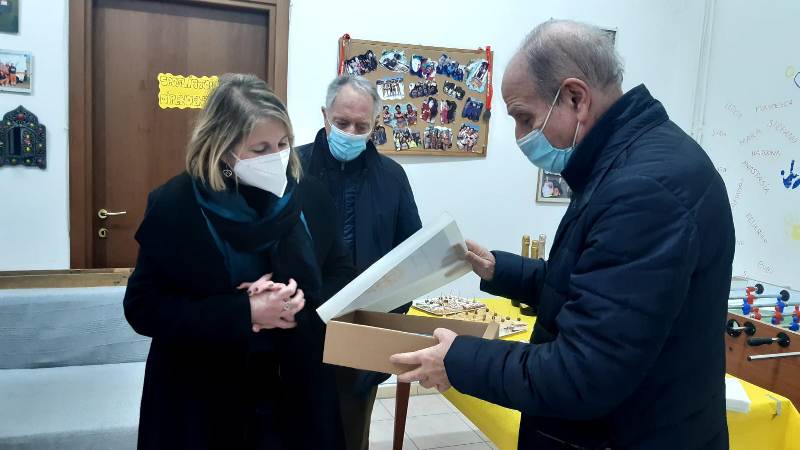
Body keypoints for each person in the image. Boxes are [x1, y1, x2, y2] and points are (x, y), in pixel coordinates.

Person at [392, 20, 734, 450]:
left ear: (575, 98)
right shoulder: (630, 161)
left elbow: (583, 371)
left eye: (525, 118)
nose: (520, 137)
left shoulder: (643, 189)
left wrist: (458, 359)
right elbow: (591, 286)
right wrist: (501, 270)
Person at [124, 74, 356, 450]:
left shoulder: (309, 195)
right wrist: (244, 311)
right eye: (260, 148)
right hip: (203, 403)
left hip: (297, 395)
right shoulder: (176, 204)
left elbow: (341, 272)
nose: (276, 157)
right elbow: (143, 308)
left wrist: (298, 301)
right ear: (222, 147)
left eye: (283, 144)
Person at [297, 74, 422, 450]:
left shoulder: (392, 178)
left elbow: (411, 258)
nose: (351, 133)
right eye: (342, 123)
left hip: (361, 339)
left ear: (375, 125)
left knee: (351, 438)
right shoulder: (293, 169)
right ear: (324, 115)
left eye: (361, 126)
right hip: (298, 336)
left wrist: (383, 329)